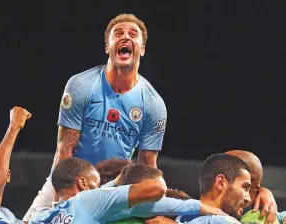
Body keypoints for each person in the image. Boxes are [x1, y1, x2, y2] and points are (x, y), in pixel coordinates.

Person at [24, 13, 167, 221]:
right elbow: (64, 150)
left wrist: (151, 208)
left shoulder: (154, 105)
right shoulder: (81, 85)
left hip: (115, 183)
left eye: (132, 34)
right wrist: (60, 200)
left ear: (142, 49)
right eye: (118, 33)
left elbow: (146, 167)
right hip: (73, 178)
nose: (125, 37)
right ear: (108, 47)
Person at [29, 158, 225, 224]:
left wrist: (116, 182)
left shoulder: (41, 216)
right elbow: (155, 190)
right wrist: (215, 212)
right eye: (96, 185)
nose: (101, 190)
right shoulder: (90, 200)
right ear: (82, 183)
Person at [225, 150, 285, 224]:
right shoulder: (211, 216)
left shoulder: (252, 209)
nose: (248, 198)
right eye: (245, 186)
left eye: (254, 188)